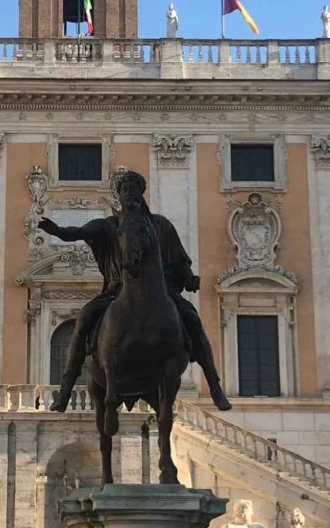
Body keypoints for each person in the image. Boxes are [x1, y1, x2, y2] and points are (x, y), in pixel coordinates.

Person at [38, 169, 231, 412]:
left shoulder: (161, 225)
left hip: (160, 290)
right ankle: (65, 392)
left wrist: (189, 278)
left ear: (141, 193)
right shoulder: (110, 226)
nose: (129, 194)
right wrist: (57, 231)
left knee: (192, 319)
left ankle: (214, 386)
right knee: (84, 318)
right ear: (119, 195)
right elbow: (78, 232)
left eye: (134, 189)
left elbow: (180, 260)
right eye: (125, 190)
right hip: (116, 292)